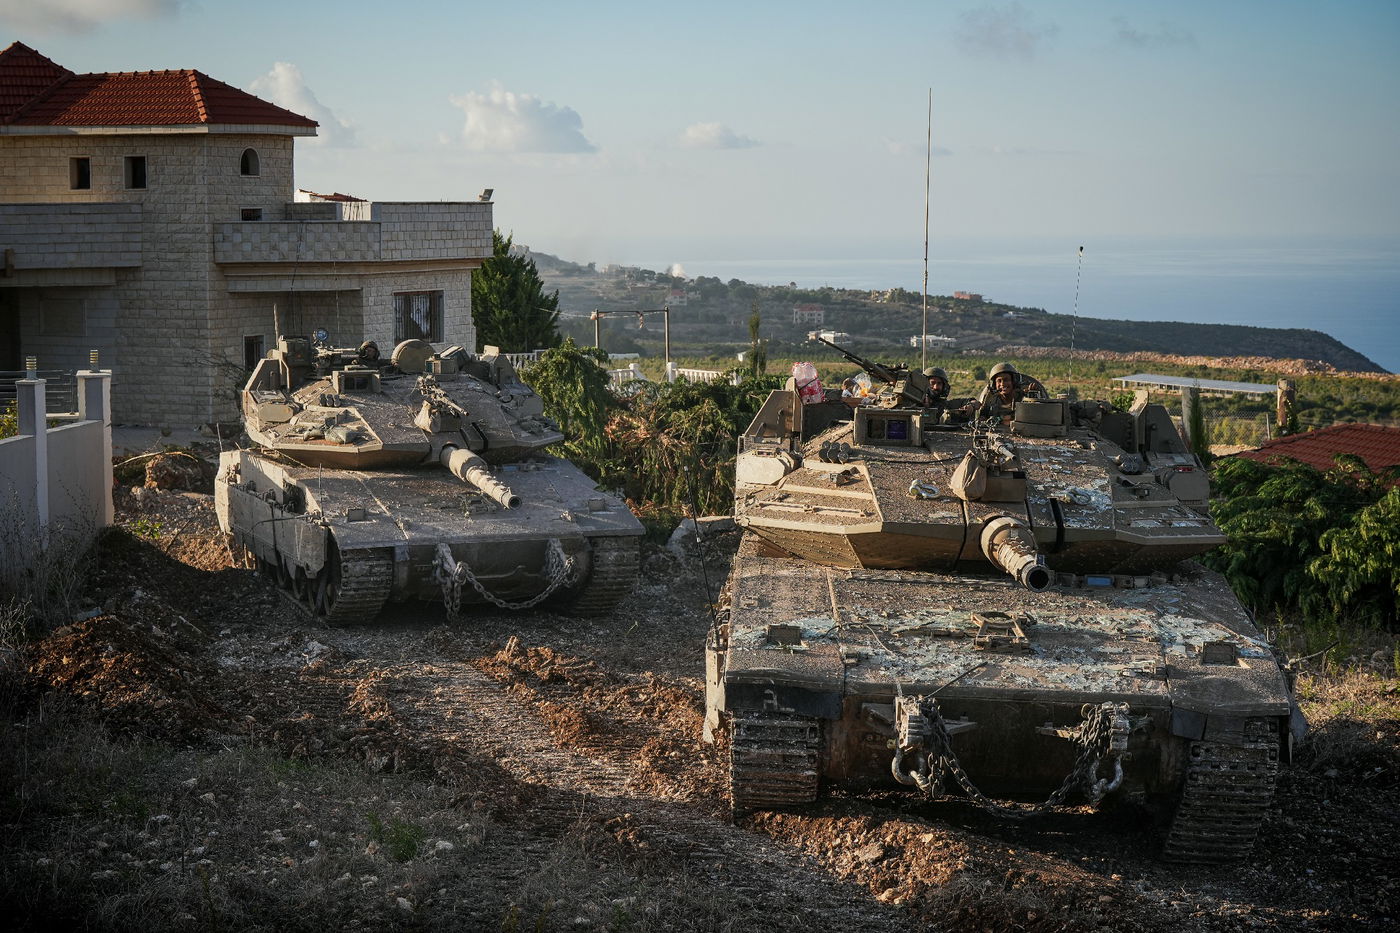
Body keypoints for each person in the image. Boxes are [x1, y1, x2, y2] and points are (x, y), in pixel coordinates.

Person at [972, 362, 1047, 421]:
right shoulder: (991, 399)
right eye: (999, 381)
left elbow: (1035, 416)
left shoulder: (1023, 397)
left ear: (1013, 381)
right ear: (994, 384)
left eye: (1006, 380)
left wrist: (1033, 395)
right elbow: (982, 417)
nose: (1002, 384)